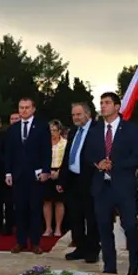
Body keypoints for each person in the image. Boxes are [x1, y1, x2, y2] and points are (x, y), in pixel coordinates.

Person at [85, 92, 138, 275]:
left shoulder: (131, 129)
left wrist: (115, 164)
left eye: (107, 103)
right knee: (104, 227)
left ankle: (134, 266)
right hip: (101, 187)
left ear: (117, 107)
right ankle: (109, 266)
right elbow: (87, 154)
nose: (103, 106)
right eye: (101, 103)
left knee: (130, 226)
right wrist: (97, 163)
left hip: (123, 187)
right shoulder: (94, 130)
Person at [5, 97, 52, 254]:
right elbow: (8, 153)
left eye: (27, 107)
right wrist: (8, 172)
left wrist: (45, 170)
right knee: (20, 210)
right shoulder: (13, 129)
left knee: (35, 209)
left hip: (36, 175)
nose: (24, 110)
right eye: (21, 107)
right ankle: (21, 242)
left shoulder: (42, 127)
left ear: (33, 109)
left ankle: (36, 243)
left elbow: (47, 151)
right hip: (18, 176)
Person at [57, 102, 100, 263]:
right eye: (73, 115)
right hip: (73, 180)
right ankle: (80, 247)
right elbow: (68, 155)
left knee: (91, 217)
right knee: (75, 216)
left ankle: (93, 249)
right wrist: (62, 179)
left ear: (87, 114)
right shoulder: (74, 131)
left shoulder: (98, 129)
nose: (75, 118)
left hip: (90, 180)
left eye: (79, 114)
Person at [43, 120, 68, 237]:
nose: (52, 133)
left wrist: (59, 173)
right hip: (47, 172)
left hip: (60, 172)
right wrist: (47, 171)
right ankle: (48, 228)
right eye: (50, 131)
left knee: (59, 201)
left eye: (54, 130)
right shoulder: (44, 143)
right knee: (47, 201)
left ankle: (58, 228)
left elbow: (67, 160)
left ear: (59, 131)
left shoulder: (65, 143)